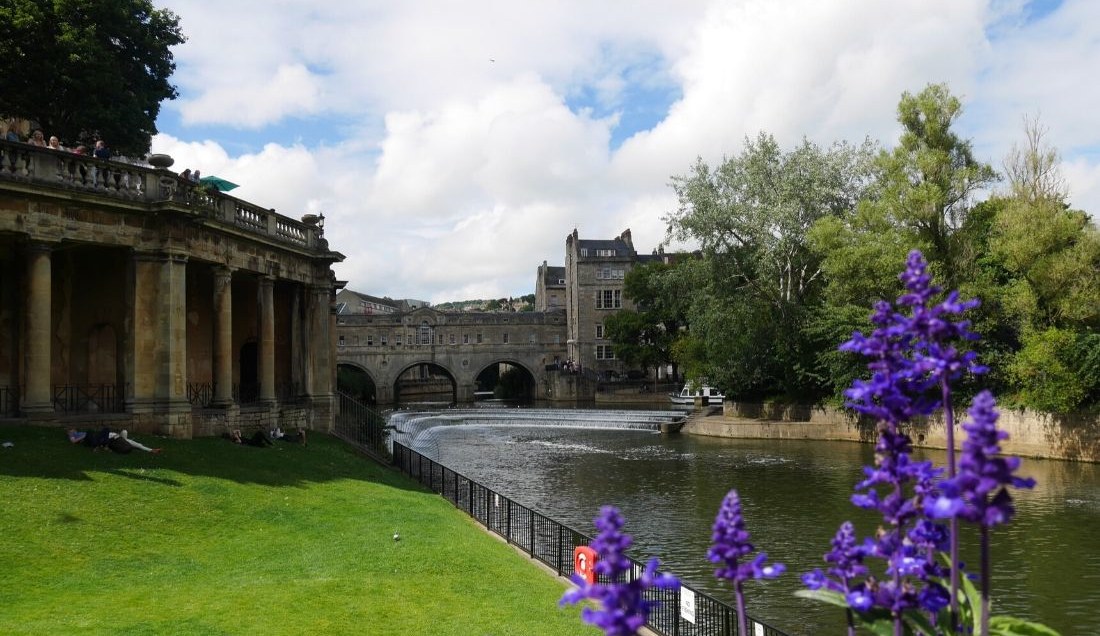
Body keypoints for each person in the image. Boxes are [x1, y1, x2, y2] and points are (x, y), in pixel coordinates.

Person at [68, 427, 162, 453]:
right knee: (94, 431)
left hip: (111, 437)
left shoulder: (83, 433)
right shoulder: (73, 434)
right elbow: (73, 441)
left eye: (73, 429)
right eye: (72, 429)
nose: (74, 429)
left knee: (130, 441)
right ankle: (151, 450)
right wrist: (83, 436)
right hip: (106, 438)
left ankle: (151, 450)